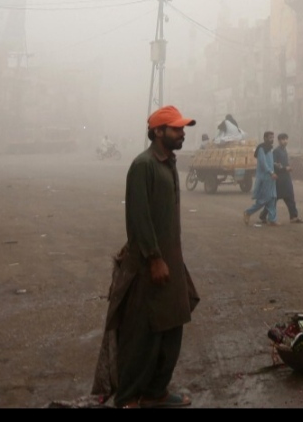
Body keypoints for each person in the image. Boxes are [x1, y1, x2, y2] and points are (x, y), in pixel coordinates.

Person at [91, 106, 200, 408]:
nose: (182, 133)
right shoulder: (143, 165)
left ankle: (156, 392)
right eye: (176, 129)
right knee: (142, 335)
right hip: (149, 264)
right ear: (158, 132)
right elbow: (138, 216)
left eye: (182, 128)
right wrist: (154, 258)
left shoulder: (168, 163)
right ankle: (128, 397)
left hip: (171, 260)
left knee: (172, 326)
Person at [244, 131, 279, 226]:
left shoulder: (270, 149)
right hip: (265, 177)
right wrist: (271, 172)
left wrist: (275, 165)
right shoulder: (261, 149)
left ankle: (272, 219)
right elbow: (263, 164)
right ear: (265, 138)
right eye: (270, 137)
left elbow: (269, 162)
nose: (272, 139)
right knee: (264, 199)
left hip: (271, 177)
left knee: (272, 198)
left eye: (273, 137)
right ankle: (248, 212)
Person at [273, 133, 303, 224]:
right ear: (279, 141)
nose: (285, 141)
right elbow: (274, 164)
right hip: (279, 179)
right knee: (274, 199)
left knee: (290, 197)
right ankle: (263, 215)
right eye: (283, 139)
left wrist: (287, 168)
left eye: (286, 139)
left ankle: (294, 217)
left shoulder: (284, 150)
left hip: (286, 178)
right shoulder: (276, 151)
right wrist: (284, 168)